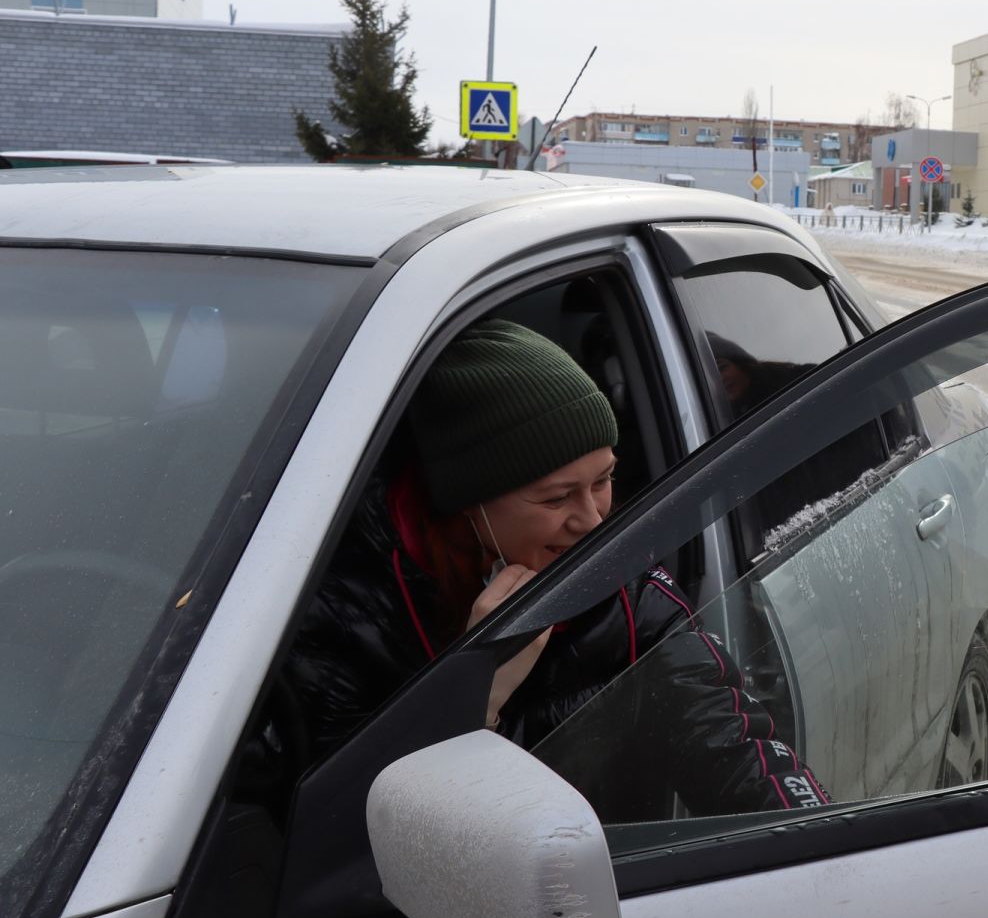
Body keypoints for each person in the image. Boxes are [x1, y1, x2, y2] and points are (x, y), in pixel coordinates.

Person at [268, 318, 826, 817]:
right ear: (470, 502)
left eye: (603, 481)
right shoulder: (345, 610)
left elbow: (731, 740)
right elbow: (334, 830)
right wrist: (469, 696)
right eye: (556, 498)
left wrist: (816, 846)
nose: (591, 520)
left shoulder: (617, 579)